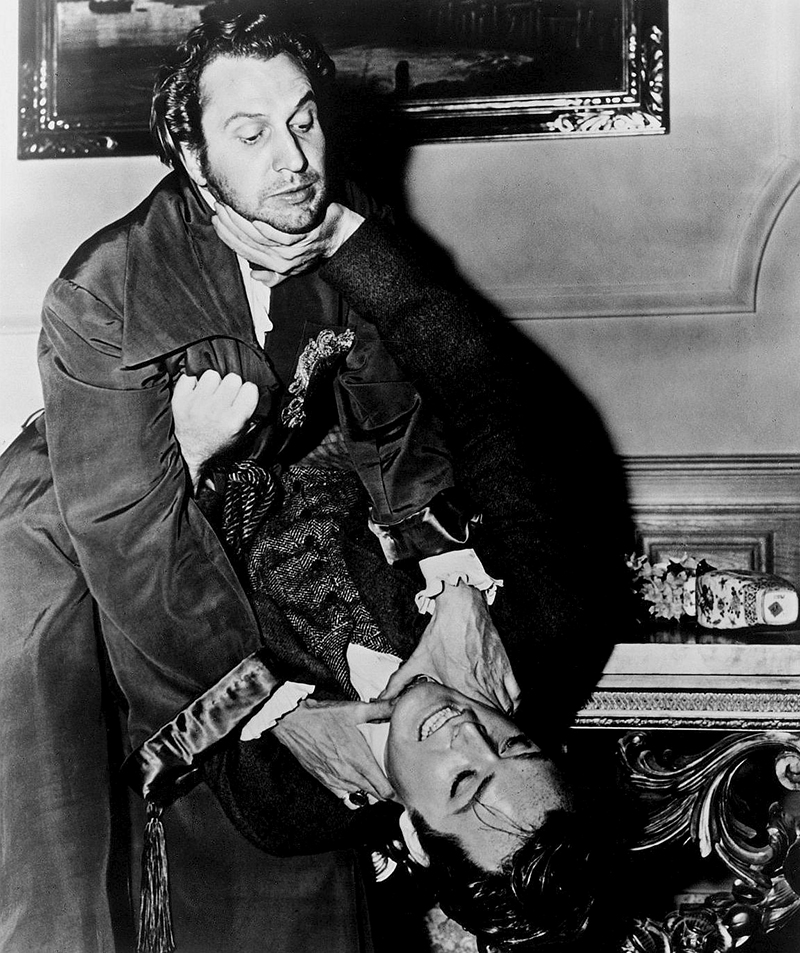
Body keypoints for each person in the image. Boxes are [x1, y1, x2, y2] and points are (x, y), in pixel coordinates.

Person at [0, 10, 632, 953]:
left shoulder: (291, 801)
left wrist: (185, 461)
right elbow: (489, 395)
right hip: (157, 478)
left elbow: (153, 598)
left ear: (408, 835)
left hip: (172, 521)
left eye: (464, 783)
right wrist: (352, 241)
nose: (468, 734)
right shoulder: (550, 622)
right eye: (516, 743)